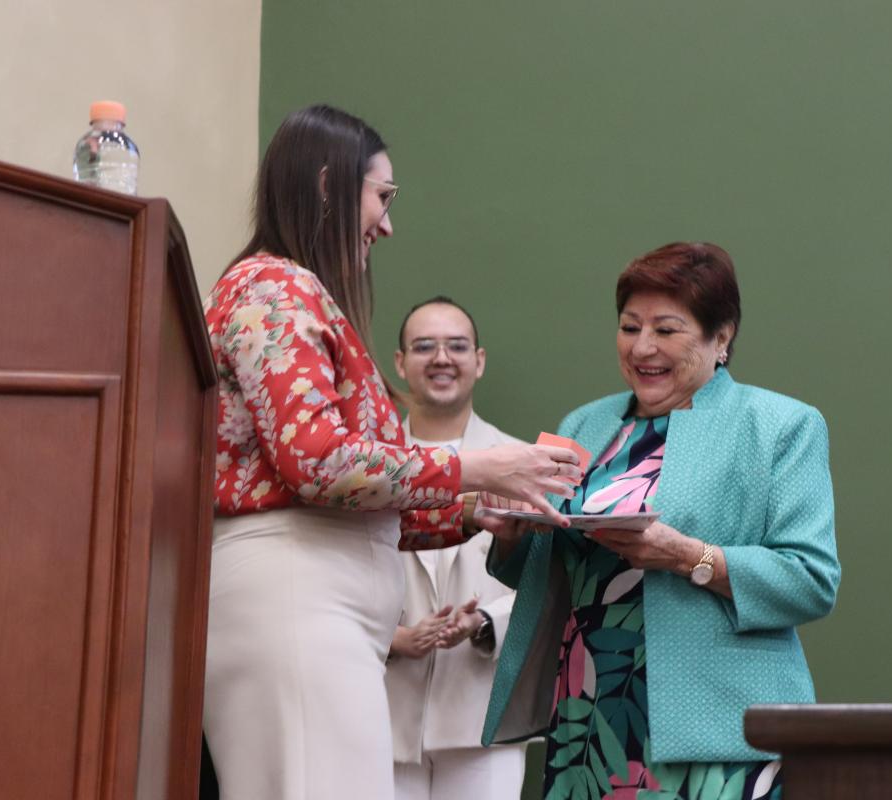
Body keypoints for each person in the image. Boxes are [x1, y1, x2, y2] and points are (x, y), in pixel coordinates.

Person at [199, 104, 580, 800]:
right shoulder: (274, 287)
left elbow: (353, 495)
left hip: (315, 607)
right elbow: (318, 463)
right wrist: (475, 467)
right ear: (328, 187)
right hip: (294, 602)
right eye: (384, 196)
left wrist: (472, 512)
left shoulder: (293, 291)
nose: (387, 223)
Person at [479, 242, 841, 799]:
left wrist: (687, 557)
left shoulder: (781, 426)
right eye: (630, 327)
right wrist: (512, 540)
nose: (642, 346)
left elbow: (810, 580)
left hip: (717, 724)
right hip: (590, 715)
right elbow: (557, 570)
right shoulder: (586, 423)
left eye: (666, 330)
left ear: (721, 338)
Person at [385, 296, 529, 800]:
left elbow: (547, 581)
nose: (442, 359)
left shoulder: (520, 463)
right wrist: (391, 637)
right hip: (381, 711)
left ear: (479, 361)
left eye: (457, 346)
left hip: (482, 712)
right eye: (425, 346)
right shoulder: (365, 467)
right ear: (400, 362)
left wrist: (485, 622)